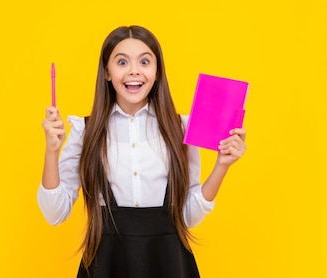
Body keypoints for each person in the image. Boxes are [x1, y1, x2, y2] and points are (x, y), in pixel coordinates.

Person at [38, 25, 247, 278]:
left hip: (169, 263)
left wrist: (222, 166)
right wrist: (51, 151)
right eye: (122, 62)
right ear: (107, 71)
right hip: (107, 264)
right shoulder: (85, 131)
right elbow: (54, 213)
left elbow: (187, 217)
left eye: (145, 61)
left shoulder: (181, 128)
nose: (134, 71)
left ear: (157, 71)